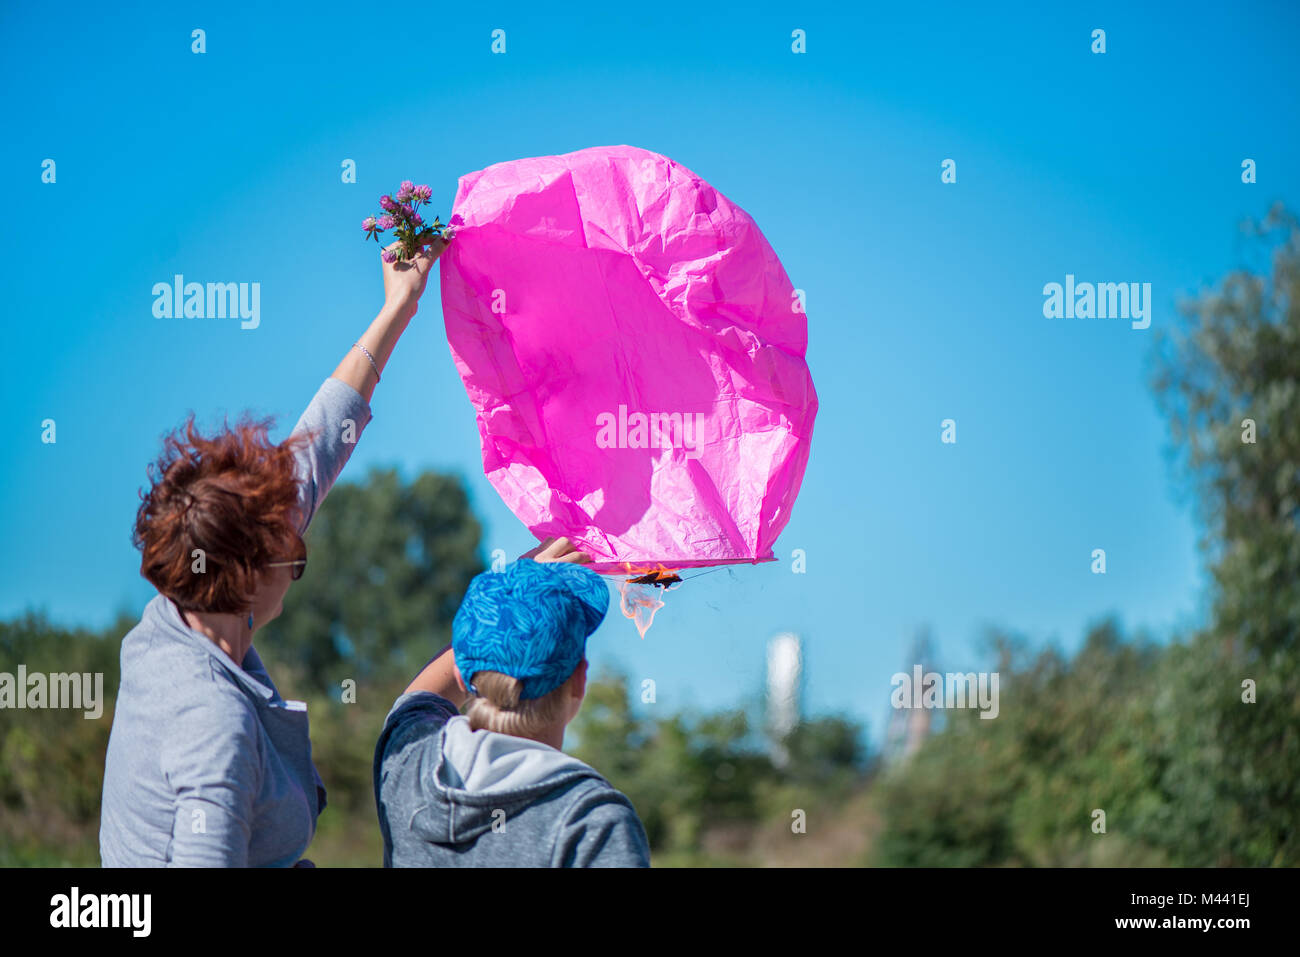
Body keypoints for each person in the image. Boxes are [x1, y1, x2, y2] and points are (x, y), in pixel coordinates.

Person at [100, 236, 446, 867]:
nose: (299, 545)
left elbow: (316, 452)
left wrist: (399, 304)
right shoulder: (212, 726)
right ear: (247, 577)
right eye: (296, 556)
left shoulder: (176, 616)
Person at [374, 538, 652, 867]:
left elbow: (421, 697)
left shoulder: (409, 766)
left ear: (464, 677)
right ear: (580, 680)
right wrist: (527, 578)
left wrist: (519, 579)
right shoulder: (591, 822)